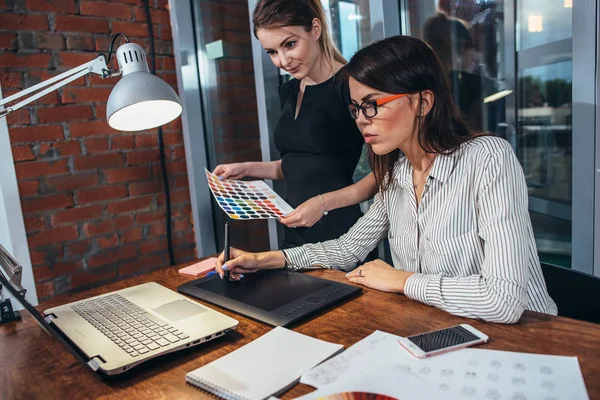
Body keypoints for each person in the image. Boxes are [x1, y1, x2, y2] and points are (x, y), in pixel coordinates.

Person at [215, 36, 558, 324]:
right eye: (356, 109)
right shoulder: (397, 174)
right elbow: (348, 248)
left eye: (372, 105)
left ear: (423, 101)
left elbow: (502, 301)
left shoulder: (488, 158)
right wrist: (264, 260)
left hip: (530, 340)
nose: (362, 120)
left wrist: (401, 280)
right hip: (444, 329)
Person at [213, 0, 378, 250]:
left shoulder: (350, 86)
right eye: (272, 52)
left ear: (315, 29)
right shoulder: (290, 90)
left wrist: (323, 203)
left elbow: (385, 173)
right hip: (295, 234)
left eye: (290, 44)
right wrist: (247, 169)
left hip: (342, 235)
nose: (283, 61)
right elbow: (302, 164)